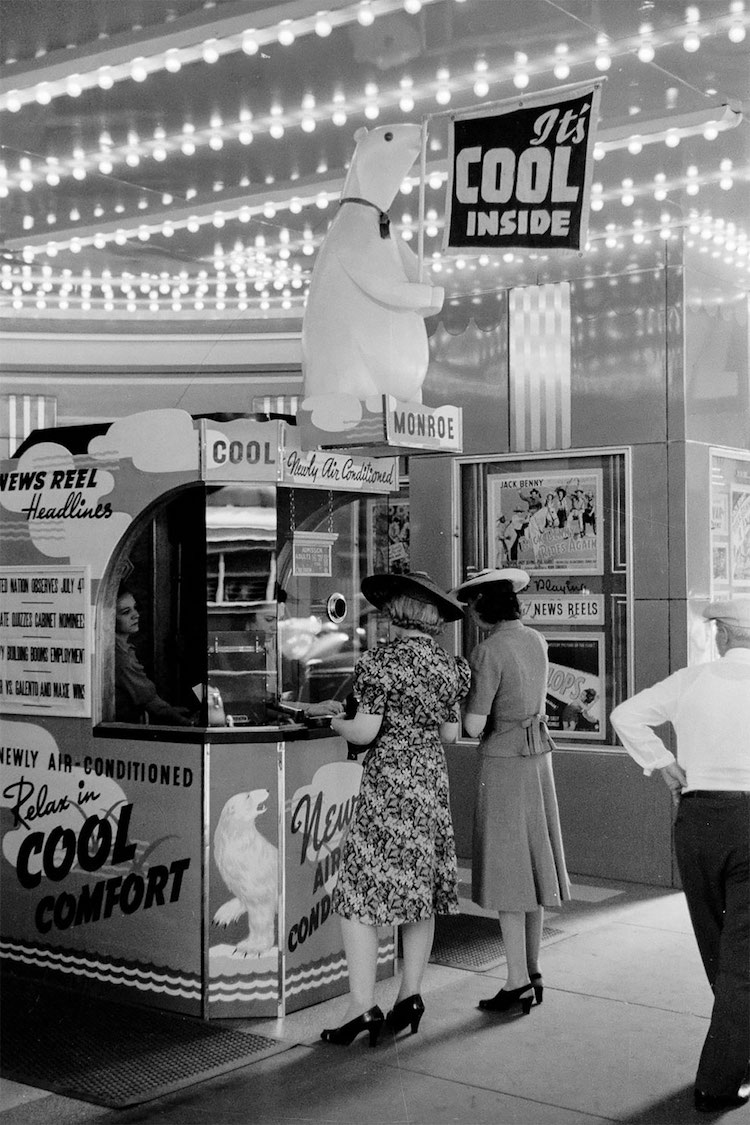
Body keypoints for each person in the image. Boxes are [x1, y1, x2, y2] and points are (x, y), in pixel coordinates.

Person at [610, 599, 750, 1114]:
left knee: (718, 944)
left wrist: (662, 763)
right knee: (745, 957)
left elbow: (624, 715)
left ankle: (736, 1042)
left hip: (698, 820)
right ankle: (719, 1079)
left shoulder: (691, 680)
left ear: (721, 637)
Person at [320, 571, 470, 1047]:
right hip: (430, 782)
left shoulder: (380, 662)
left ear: (397, 612)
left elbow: (364, 732)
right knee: (419, 892)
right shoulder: (451, 667)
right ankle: (410, 995)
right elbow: (450, 734)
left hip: (389, 784)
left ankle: (361, 1006)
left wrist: (333, 723)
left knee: (358, 893)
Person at [456, 568, 570, 1016]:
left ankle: (516, 981)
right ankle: (533, 969)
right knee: (535, 864)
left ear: (484, 609)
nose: (470, 614)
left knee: (507, 871)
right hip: (539, 756)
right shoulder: (535, 640)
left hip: (503, 762)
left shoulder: (487, 651)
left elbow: (474, 724)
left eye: (472, 607)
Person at [115, 588, 196, 725]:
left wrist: (174, 710)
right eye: (126, 612)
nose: (136, 615)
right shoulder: (121, 658)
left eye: (135, 608)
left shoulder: (122, 649)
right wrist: (187, 723)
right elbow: (149, 701)